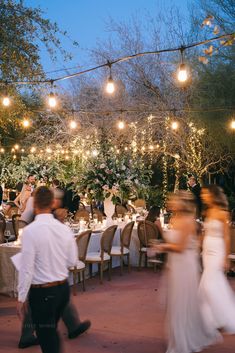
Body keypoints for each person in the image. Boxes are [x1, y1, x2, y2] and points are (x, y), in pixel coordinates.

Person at [18, 188, 91, 349]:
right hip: (62, 290)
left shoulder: (30, 231)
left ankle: (30, 337)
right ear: (52, 203)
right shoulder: (64, 229)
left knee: (48, 336)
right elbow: (72, 260)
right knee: (50, 332)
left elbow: (26, 267)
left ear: (34, 204)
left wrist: (21, 297)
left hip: (42, 292)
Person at [152, 191, 218, 353]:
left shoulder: (188, 221)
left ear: (182, 204)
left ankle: (186, 337)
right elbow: (172, 241)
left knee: (183, 300)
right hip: (176, 265)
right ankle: (178, 334)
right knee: (176, 301)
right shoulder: (174, 219)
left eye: (174, 201)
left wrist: (161, 247)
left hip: (184, 265)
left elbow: (180, 248)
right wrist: (161, 231)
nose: (171, 203)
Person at [199, 185, 235, 335]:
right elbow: (205, 232)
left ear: (213, 195)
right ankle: (213, 318)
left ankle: (223, 317)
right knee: (214, 282)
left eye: (205, 194)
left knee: (209, 283)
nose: (203, 197)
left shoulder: (222, 213)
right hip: (207, 251)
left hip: (218, 250)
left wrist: (226, 257)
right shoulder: (207, 211)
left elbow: (226, 236)